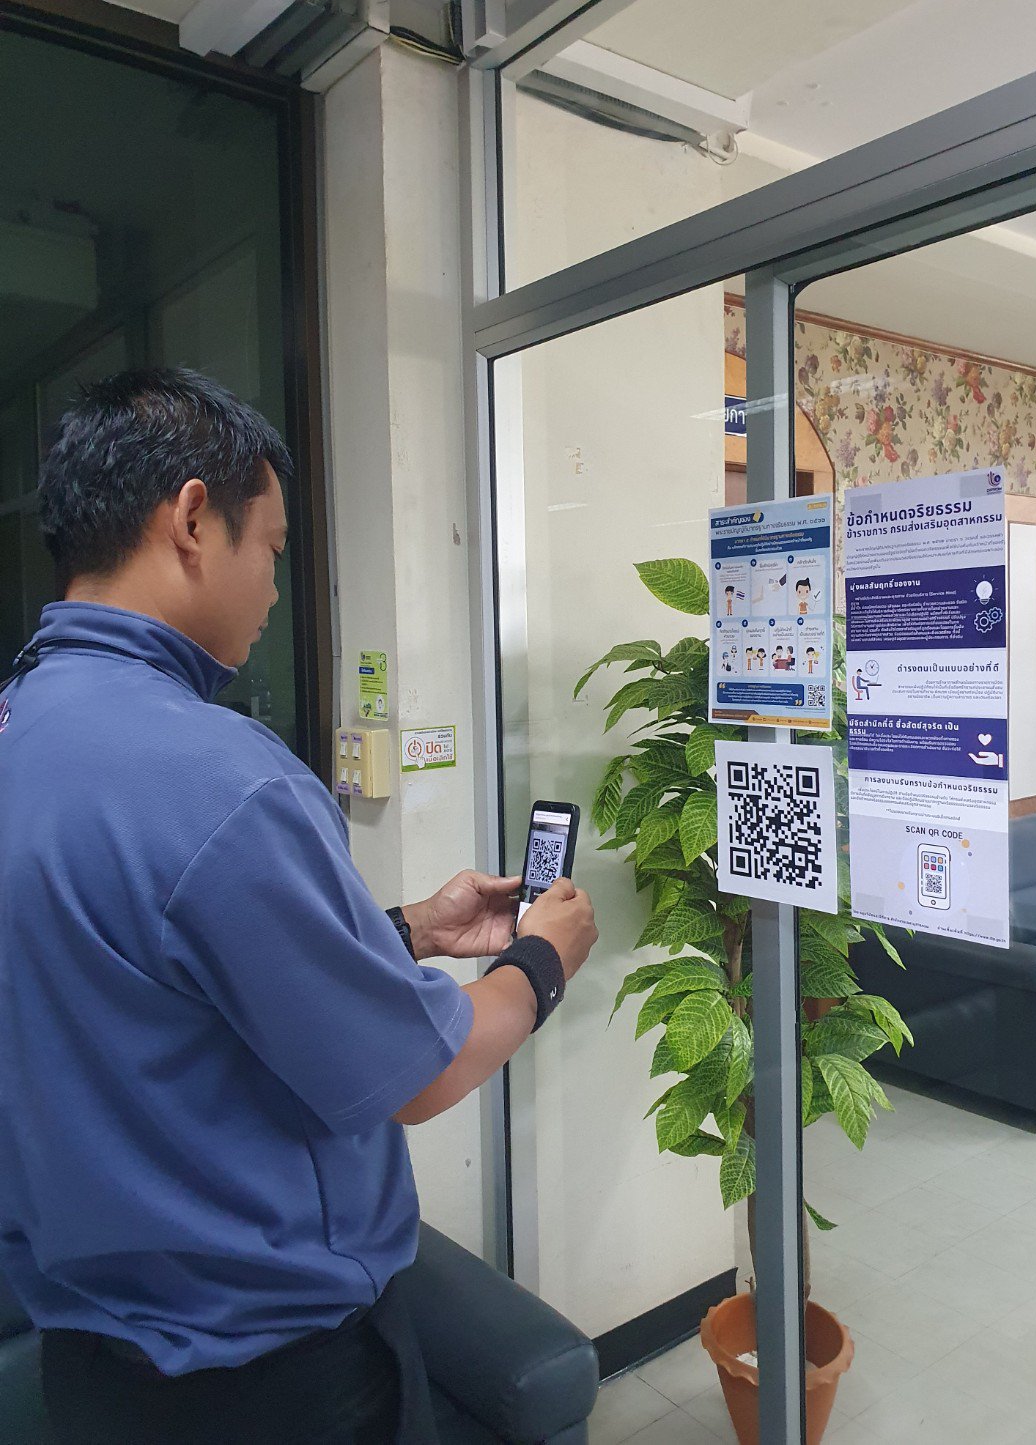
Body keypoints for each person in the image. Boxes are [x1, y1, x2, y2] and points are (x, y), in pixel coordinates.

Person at [0, 369, 599, 1445]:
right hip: (268, 1379)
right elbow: (415, 1074)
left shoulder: (21, 727)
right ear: (193, 520)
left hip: (90, 1371)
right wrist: (540, 962)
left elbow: (144, 974)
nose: (277, 590)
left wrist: (408, 929)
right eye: (273, 549)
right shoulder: (223, 780)